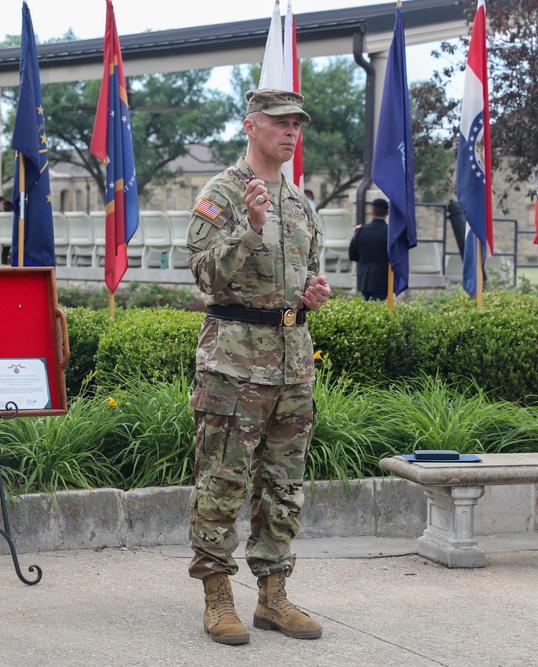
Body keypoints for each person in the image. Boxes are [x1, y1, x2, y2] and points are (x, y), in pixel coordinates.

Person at [186, 88, 331, 647]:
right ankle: (217, 593)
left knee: (284, 484)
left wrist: (312, 293)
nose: (290, 132)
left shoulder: (300, 203)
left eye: (297, 123)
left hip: (293, 361)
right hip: (234, 362)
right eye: (279, 123)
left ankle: (273, 595)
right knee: (222, 479)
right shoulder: (222, 193)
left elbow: (303, 276)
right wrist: (248, 227)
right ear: (251, 125)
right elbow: (205, 275)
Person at [348, 198, 390, 300]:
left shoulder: (360, 230)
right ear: (387, 213)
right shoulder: (390, 232)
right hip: (382, 280)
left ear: (371, 212)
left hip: (364, 280)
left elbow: (352, 255)